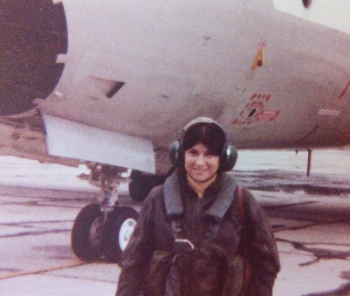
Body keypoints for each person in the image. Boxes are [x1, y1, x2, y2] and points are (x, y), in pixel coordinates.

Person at [115, 117, 280, 296]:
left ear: (223, 158)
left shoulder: (241, 201)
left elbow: (266, 263)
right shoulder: (158, 199)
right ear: (180, 154)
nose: (200, 163)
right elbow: (133, 264)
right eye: (193, 152)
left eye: (210, 154)